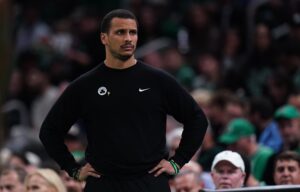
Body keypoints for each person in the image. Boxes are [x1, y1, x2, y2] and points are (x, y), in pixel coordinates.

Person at [39, 9, 208, 192]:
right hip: (104, 183)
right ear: (104, 38)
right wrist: (73, 169)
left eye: (132, 32)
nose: (128, 38)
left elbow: (197, 119)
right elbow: (49, 131)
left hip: (149, 182)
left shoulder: (158, 80)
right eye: (120, 32)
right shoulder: (85, 85)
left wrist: (177, 162)